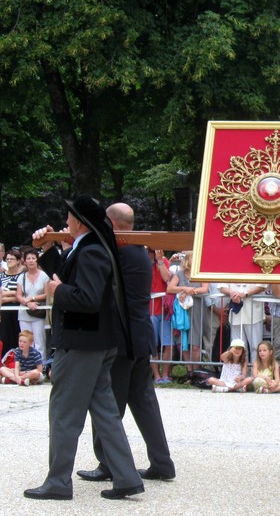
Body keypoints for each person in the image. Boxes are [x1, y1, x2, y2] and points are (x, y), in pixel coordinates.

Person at [25, 195, 143, 500]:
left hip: (82, 345)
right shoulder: (90, 248)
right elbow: (66, 271)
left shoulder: (91, 251)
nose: (65, 221)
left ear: (79, 221)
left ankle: (58, 482)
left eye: (69, 216)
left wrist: (58, 291)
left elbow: (86, 298)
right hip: (95, 344)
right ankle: (127, 477)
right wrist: (49, 252)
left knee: (64, 413)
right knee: (105, 414)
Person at [75, 202, 175, 484]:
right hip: (140, 338)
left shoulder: (116, 253)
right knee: (144, 404)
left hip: (120, 341)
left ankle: (108, 463)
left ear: (112, 223)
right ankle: (162, 462)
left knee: (108, 404)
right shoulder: (139, 252)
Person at [167, 251, 209, 376]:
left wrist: (189, 292)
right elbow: (170, 288)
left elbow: (204, 289)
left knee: (195, 344)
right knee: (184, 343)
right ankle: (189, 372)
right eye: (191, 257)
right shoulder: (179, 274)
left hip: (196, 309)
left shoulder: (202, 273)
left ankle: (196, 372)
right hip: (182, 310)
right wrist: (183, 288)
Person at [217, 283, 267, 363]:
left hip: (254, 312)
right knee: (237, 347)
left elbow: (263, 285)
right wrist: (232, 293)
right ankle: (240, 373)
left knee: (256, 346)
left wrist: (245, 293)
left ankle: (255, 373)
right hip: (236, 314)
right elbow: (221, 286)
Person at [15, 247, 49, 361]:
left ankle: (41, 366)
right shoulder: (22, 277)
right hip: (24, 312)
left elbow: (46, 294)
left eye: (33, 258)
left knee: (39, 341)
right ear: (25, 261)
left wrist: (32, 298)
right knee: (25, 341)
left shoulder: (44, 276)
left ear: (37, 260)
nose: (30, 260)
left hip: (38, 312)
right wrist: (27, 302)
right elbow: (18, 295)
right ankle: (26, 365)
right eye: (28, 258)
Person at [148, 247, 173, 383]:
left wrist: (159, 261)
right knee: (153, 344)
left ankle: (165, 375)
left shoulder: (163, 261)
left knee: (168, 343)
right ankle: (156, 375)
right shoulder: (143, 261)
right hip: (149, 310)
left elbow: (167, 278)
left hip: (164, 310)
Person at [0, 248, 24, 353]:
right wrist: (14, 293)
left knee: (17, 334)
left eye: (12, 259)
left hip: (18, 310)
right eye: (8, 259)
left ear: (18, 261)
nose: (9, 261)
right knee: (4, 336)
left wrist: (6, 296)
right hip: (4, 310)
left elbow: (22, 294)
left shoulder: (22, 276)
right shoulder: (1, 276)